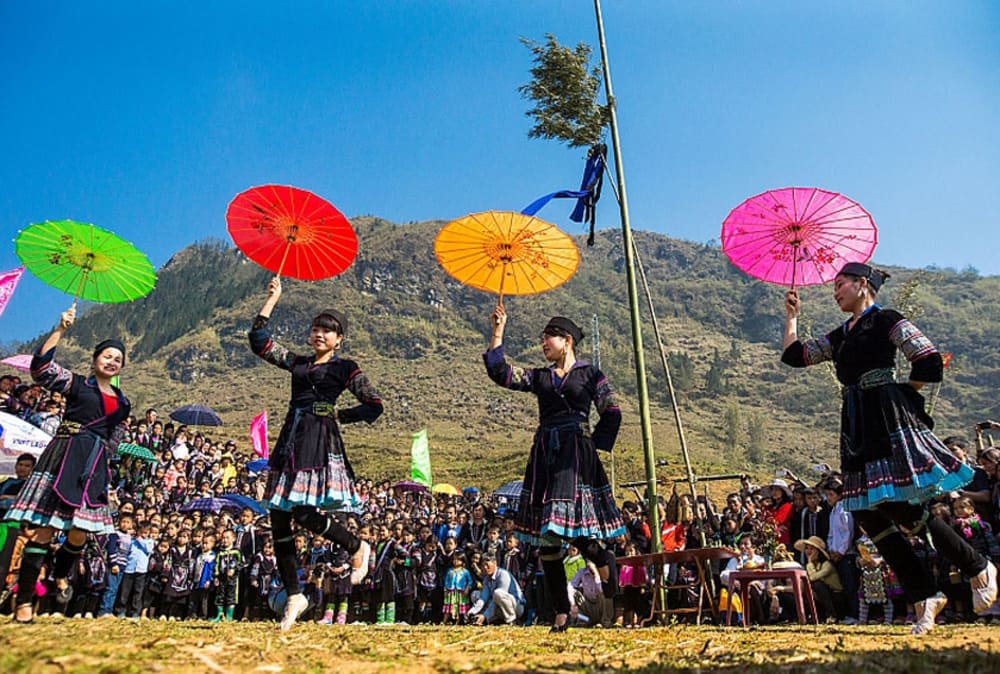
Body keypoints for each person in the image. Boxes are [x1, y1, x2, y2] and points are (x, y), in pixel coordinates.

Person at [782, 261, 998, 634]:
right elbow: (796, 356)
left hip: (885, 419)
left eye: (841, 284)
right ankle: (925, 595)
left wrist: (901, 393)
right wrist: (791, 318)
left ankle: (978, 567)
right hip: (854, 423)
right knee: (866, 512)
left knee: (900, 507)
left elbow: (928, 358)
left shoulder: (886, 319)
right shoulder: (841, 335)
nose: (835, 292)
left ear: (863, 284)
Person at [249, 277, 383, 630]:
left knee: (303, 511)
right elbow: (259, 342)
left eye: (328, 331)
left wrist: (340, 414)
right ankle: (294, 595)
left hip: (318, 439)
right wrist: (271, 300)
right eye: (316, 329)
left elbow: (374, 404)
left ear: (339, 339)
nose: (320, 334)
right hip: (290, 437)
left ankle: (355, 545)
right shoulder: (297, 363)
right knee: (278, 515)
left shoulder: (344, 367)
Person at [485, 306, 623, 632]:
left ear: (568, 340)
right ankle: (562, 611)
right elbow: (500, 372)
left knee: (584, 539)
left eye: (549, 336)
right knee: (548, 538)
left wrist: (593, 445)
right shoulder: (540, 376)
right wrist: (498, 330)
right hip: (546, 453)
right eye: (543, 337)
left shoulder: (591, 375)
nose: (543, 342)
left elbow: (612, 411)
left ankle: (613, 595)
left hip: (576, 456)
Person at [5, 305, 131, 624]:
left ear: (121, 367)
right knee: (45, 530)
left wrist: (105, 464)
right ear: (95, 359)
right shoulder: (76, 384)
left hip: (94, 466)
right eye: (107, 355)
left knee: (79, 535)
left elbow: (116, 437)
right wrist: (60, 328)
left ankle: (60, 575)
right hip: (62, 456)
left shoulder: (123, 403)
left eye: (118, 358)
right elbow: (41, 370)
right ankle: (24, 604)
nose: (112, 360)